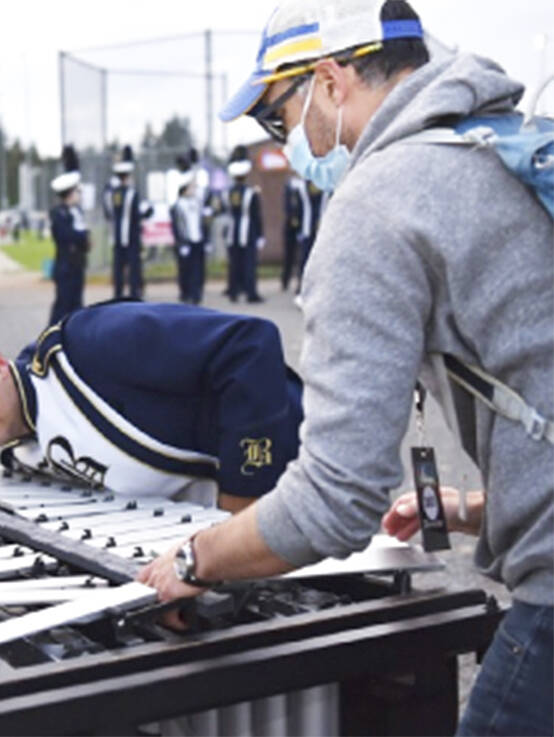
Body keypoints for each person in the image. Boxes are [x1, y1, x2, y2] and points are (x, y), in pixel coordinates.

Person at [138, 2, 552, 735]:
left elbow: (336, 497)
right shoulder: (504, 141)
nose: (286, 139)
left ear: (331, 80)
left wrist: (197, 558)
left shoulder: (378, 201)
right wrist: (479, 509)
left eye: (279, 116)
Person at [0, 301, 304, 512]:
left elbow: (249, 345)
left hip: (318, 475)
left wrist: (241, 499)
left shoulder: (88, 346)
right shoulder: (23, 458)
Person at [48, 145, 90, 326]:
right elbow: (66, 235)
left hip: (77, 264)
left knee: (76, 305)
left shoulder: (75, 212)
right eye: (77, 191)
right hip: (65, 266)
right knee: (62, 306)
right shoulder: (59, 213)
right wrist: (82, 236)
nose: (79, 195)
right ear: (69, 193)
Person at [223, 145, 265, 303]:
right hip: (248, 233)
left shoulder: (227, 192)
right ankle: (250, 292)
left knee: (234, 264)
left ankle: (233, 291)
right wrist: (260, 235)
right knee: (249, 264)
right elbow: (256, 215)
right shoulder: (251, 193)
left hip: (231, 232)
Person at [109, 145, 146, 299]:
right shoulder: (132, 193)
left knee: (119, 267)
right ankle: (134, 293)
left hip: (118, 235)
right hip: (131, 236)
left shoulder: (114, 192)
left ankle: (118, 293)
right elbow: (136, 214)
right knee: (133, 267)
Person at [170, 173, 207, 305]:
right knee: (185, 269)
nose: (194, 190)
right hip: (185, 243)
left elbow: (203, 223)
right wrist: (181, 243)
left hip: (197, 240)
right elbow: (176, 227)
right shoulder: (178, 206)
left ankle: (196, 293)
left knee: (197, 269)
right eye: (191, 188)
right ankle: (185, 293)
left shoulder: (197, 203)